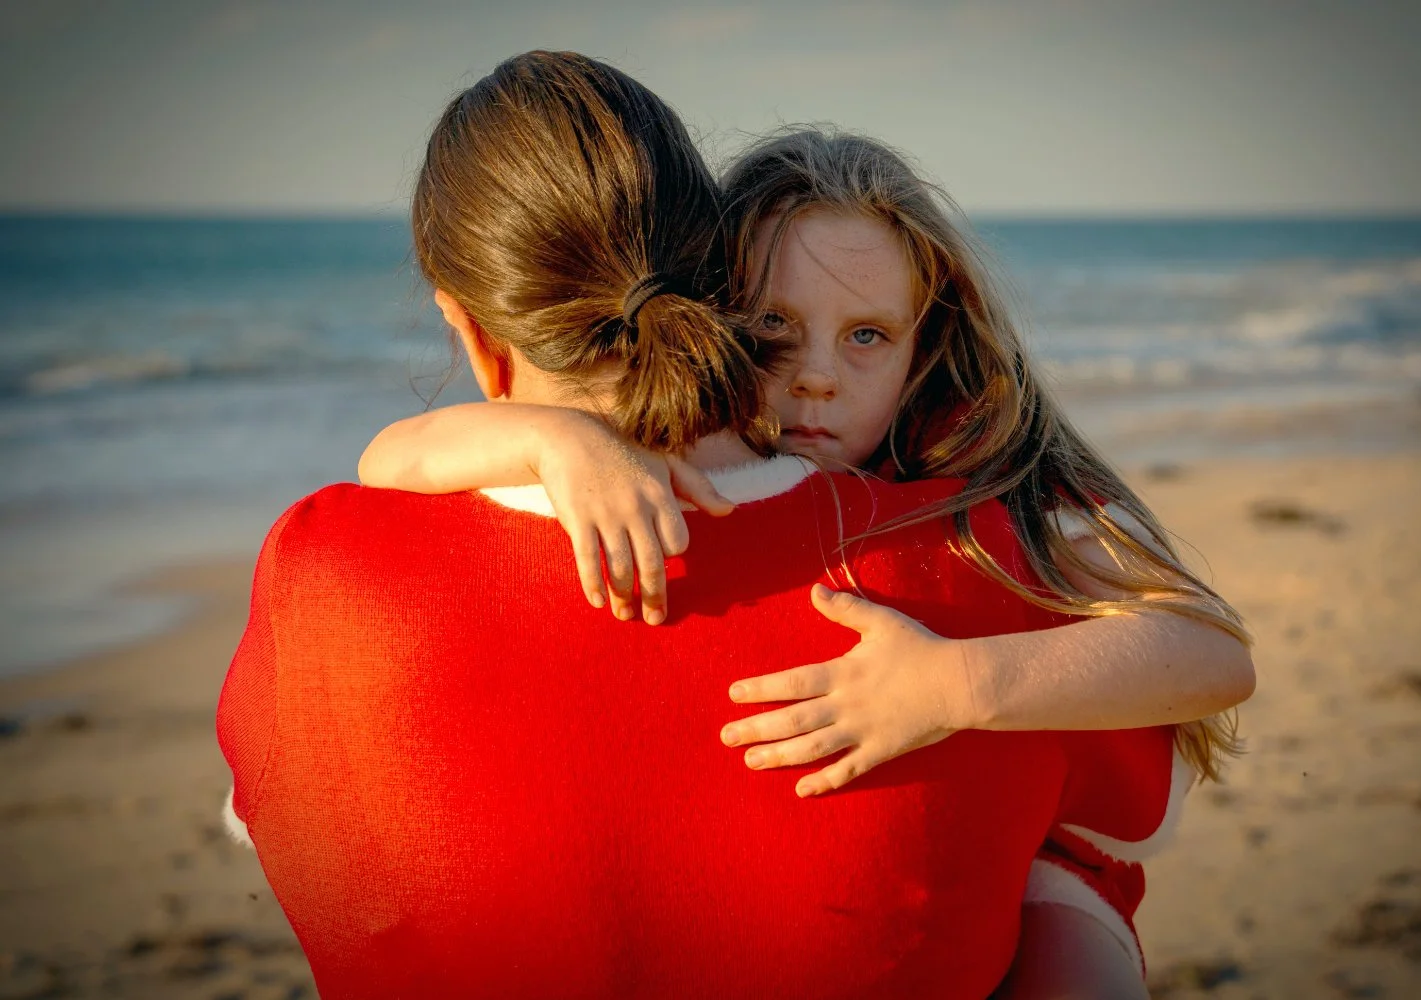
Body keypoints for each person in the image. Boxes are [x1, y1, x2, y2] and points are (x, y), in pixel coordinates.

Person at [219, 52, 1186, 999]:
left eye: (866, 338)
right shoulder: (976, 556)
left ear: (468, 327)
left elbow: (279, 826)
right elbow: (1140, 797)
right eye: (780, 329)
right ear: (710, 291)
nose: (817, 377)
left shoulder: (319, 579)